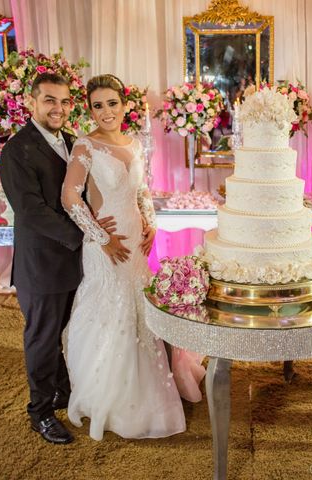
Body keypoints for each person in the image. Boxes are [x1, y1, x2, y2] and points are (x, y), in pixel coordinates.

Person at [61, 74, 204, 441]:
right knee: (111, 311)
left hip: (135, 242)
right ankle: (111, 396)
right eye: (97, 105)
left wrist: (152, 224)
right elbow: (70, 197)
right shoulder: (85, 146)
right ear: (90, 110)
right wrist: (100, 237)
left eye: (112, 103)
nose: (106, 112)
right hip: (105, 245)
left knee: (140, 312)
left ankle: (150, 386)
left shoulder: (136, 143)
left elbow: (142, 190)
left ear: (125, 105)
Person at [0, 73, 116, 445]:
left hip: (75, 263)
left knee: (70, 331)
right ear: (32, 102)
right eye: (50, 100)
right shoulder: (16, 150)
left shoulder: (71, 142)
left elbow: (81, 196)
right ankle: (40, 412)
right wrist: (86, 236)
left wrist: (102, 222)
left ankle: (63, 393)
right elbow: (30, 210)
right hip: (42, 266)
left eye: (65, 101)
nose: (59, 108)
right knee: (43, 339)